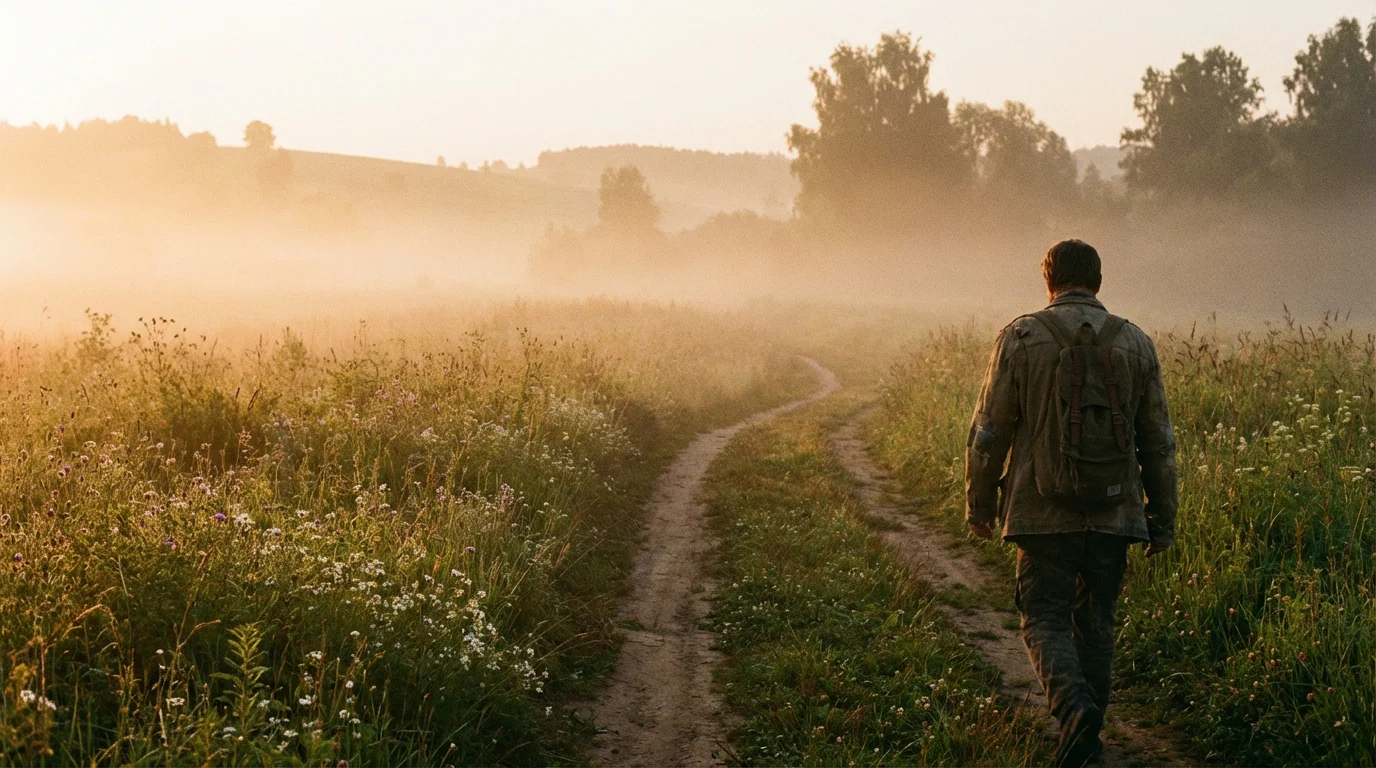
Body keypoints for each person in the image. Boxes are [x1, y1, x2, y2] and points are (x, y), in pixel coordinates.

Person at [964, 239, 1179, 768]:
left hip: (1041, 510)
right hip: (1114, 512)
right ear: (1098, 281)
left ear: (1048, 281)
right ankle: (1088, 737)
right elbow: (1159, 442)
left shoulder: (1020, 336)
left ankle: (1074, 712)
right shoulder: (1136, 343)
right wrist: (1162, 518)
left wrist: (981, 503)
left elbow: (989, 430)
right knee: (1098, 622)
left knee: (1044, 617)